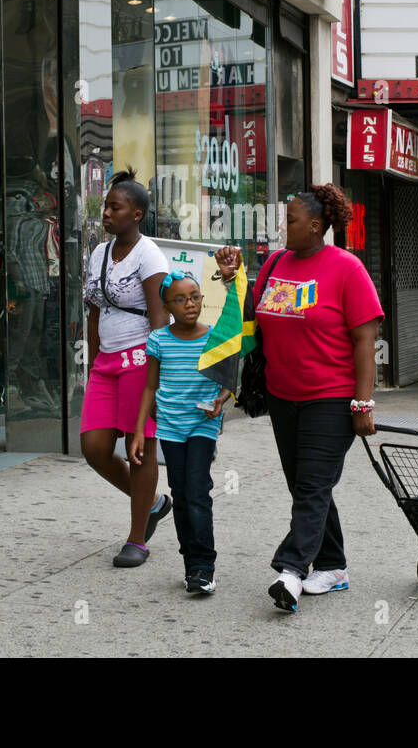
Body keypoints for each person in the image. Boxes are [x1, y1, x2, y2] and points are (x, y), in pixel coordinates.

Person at [214, 184, 383, 613]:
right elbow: (252, 316)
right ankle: (334, 566)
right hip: (282, 396)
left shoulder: (347, 268)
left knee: (311, 486)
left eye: (289, 220)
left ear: (315, 225)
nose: (282, 227)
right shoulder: (274, 263)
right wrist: (235, 278)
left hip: (331, 397)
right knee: (307, 486)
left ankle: (291, 572)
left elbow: (366, 340)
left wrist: (363, 404)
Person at [82, 169, 173, 567]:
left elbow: (159, 322)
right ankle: (152, 502)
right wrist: (92, 356)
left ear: (136, 214)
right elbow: (94, 309)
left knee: (139, 450)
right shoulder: (99, 253)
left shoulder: (149, 255)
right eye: (105, 206)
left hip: (140, 359)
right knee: (95, 448)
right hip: (106, 362)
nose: (106, 213)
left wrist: (157, 379)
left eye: (114, 207)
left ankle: (137, 539)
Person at [132, 272, 231, 594]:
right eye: (180, 299)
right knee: (182, 492)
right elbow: (150, 387)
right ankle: (191, 565)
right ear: (167, 306)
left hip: (203, 423)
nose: (190, 304)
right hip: (170, 428)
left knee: (197, 490)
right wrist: (138, 433)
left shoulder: (215, 337)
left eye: (195, 296)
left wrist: (221, 400)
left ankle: (204, 567)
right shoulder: (159, 340)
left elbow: (231, 379)